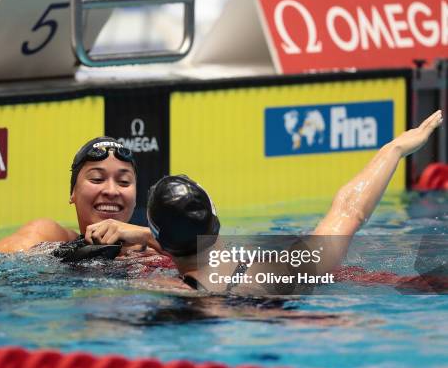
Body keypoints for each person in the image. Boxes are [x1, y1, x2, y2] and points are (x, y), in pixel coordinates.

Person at [145, 110, 444, 294]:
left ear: (161, 239)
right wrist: (394, 149)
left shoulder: (168, 289)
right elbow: (350, 210)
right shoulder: (284, 268)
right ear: (215, 217)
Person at [0, 137, 160, 253]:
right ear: (73, 193)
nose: (111, 191)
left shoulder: (154, 252)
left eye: (123, 182)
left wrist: (146, 235)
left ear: (136, 196)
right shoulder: (51, 237)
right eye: (97, 179)